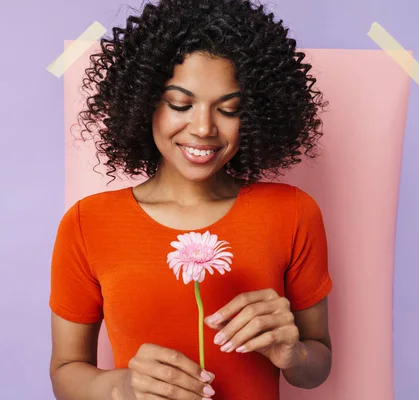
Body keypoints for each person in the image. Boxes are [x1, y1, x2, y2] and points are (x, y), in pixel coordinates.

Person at [49, 0, 332, 399]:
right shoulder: (87, 222)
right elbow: (64, 372)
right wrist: (122, 387)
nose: (203, 128)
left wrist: (294, 354)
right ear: (145, 101)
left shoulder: (293, 213)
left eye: (229, 109)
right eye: (180, 104)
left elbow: (316, 366)